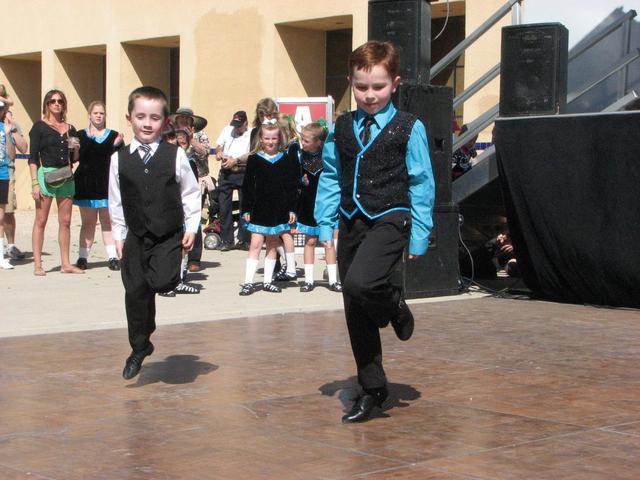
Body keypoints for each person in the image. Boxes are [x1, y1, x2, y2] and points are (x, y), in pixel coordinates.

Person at [315, 41, 435, 423]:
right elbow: (332, 175)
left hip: (391, 217)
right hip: (352, 220)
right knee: (355, 308)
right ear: (350, 82)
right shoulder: (342, 126)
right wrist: (325, 222)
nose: (369, 95)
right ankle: (373, 389)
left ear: (395, 83)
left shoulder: (409, 127)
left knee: (360, 285)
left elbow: (422, 181)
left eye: (378, 87)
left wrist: (419, 233)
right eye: (361, 87)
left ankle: (394, 304)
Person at [108, 86, 201, 380]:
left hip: (167, 233)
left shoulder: (174, 155)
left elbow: (190, 192)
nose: (147, 124)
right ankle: (140, 346)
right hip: (135, 235)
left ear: (165, 122)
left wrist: (192, 226)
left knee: (162, 281)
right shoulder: (118, 159)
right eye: (141, 117)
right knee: (135, 291)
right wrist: (118, 236)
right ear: (129, 118)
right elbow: (116, 200)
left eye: (154, 118)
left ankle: (156, 290)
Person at [238, 121, 299, 296]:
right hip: (259, 209)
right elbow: (248, 186)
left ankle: (267, 281)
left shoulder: (286, 159)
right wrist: (246, 209)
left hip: (279, 208)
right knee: (256, 244)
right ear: (261, 139)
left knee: (272, 244)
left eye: (274, 138)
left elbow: (291, 186)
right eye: (267, 138)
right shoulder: (254, 159)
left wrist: (292, 209)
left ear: (279, 139)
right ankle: (248, 282)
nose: (270, 141)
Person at [29, 89, 83, 276]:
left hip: (66, 174)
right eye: (52, 101)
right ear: (47, 105)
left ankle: (65, 263)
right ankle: (38, 264)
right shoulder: (39, 127)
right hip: (46, 174)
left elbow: (74, 158)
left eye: (60, 101)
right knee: (41, 220)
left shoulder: (70, 128)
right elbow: (32, 158)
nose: (56, 104)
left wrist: (75, 149)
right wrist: (35, 183)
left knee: (66, 221)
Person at [73, 101, 124, 271]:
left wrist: (117, 145)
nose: (99, 116)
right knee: (88, 222)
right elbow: (74, 158)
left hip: (106, 184)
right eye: (95, 113)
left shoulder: (114, 135)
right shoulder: (80, 135)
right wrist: (75, 148)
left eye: (101, 113)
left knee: (107, 221)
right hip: (86, 183)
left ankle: (112, 257)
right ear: (89, 115)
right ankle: (82, 257)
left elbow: (120, 160)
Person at [295, 122, 342, 292]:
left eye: (306, 140)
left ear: (319, 142)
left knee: (328, 242)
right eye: (302, 139)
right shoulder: (299, 157)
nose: (303, 143)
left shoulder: (329, 157)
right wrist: (301, 181)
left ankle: (333, 280)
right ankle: (308, 280)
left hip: (327, 206)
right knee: (310, 241)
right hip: (307, 205)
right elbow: (293, 178)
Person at [169, 107, 212, 271]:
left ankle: (194, 258)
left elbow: (204, 153)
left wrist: (191, 139)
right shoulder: (170, 134)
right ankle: (176, 255)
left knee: (193, 217)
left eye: (188, 119)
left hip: (197, 179)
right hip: (174, 181)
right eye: (182, 119)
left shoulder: (200, 135)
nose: (185, 121)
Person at [214, 110, 252, 251]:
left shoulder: (251, 133)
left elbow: (252, 153)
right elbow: (219, 145)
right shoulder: (227, 130)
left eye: (239, 125)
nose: (236, 128)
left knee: (245, 207)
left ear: (246, 123)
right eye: (235, 125)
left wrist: (235, 161)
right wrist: (219, 152)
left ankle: (244, 239)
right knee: (224, 207)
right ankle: (227, 240)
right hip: (226, 170)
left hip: (243, 169)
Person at [0, 94, 28, 261]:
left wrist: (12, 130)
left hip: (6, 172)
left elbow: (24, 148)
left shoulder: (12, 125)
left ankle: (10, 245)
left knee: (8, 210)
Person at [0, 101, 17, 269]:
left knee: (1, 216)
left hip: (2, 174)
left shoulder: (5, 128)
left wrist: (8, 133)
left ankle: (1, 257)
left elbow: (11, 154)